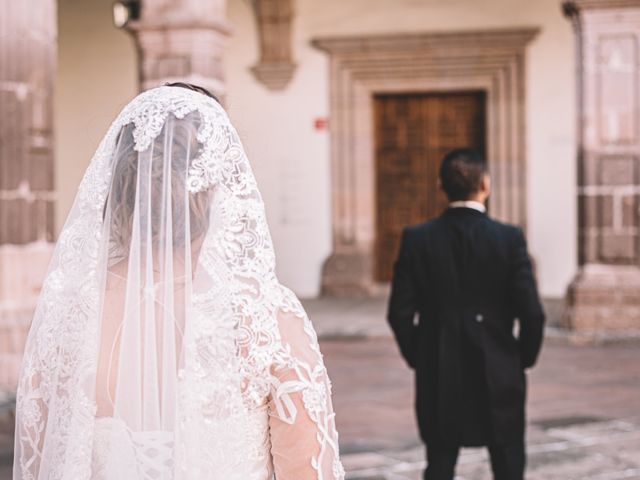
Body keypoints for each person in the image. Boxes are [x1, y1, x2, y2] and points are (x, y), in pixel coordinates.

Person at [13, 83, 345, 480]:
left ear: (115, 187)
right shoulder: (268, 319)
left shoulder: (68, 313)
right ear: (220, 188)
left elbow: (39, 461)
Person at [387, 148, 545, 480]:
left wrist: (420, 354)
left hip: (438, 367)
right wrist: (521, 359)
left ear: (440, 187)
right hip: (500, 367)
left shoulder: (417, 239)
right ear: (485, 185)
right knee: (508, 461)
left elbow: (399, 313)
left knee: (440, 461)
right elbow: (532, 313)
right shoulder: (509, 238)